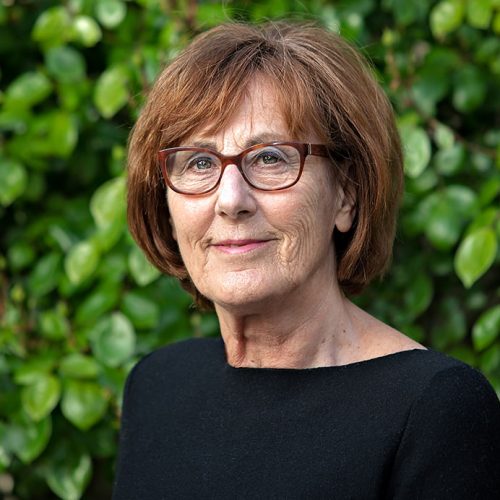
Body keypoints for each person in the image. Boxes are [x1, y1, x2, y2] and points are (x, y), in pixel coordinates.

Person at [113, 21, 500, 499]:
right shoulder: (157, 386)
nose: (230, 200)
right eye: (199, 162)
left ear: (346, 194)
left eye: (270, 158)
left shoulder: (434, 410)